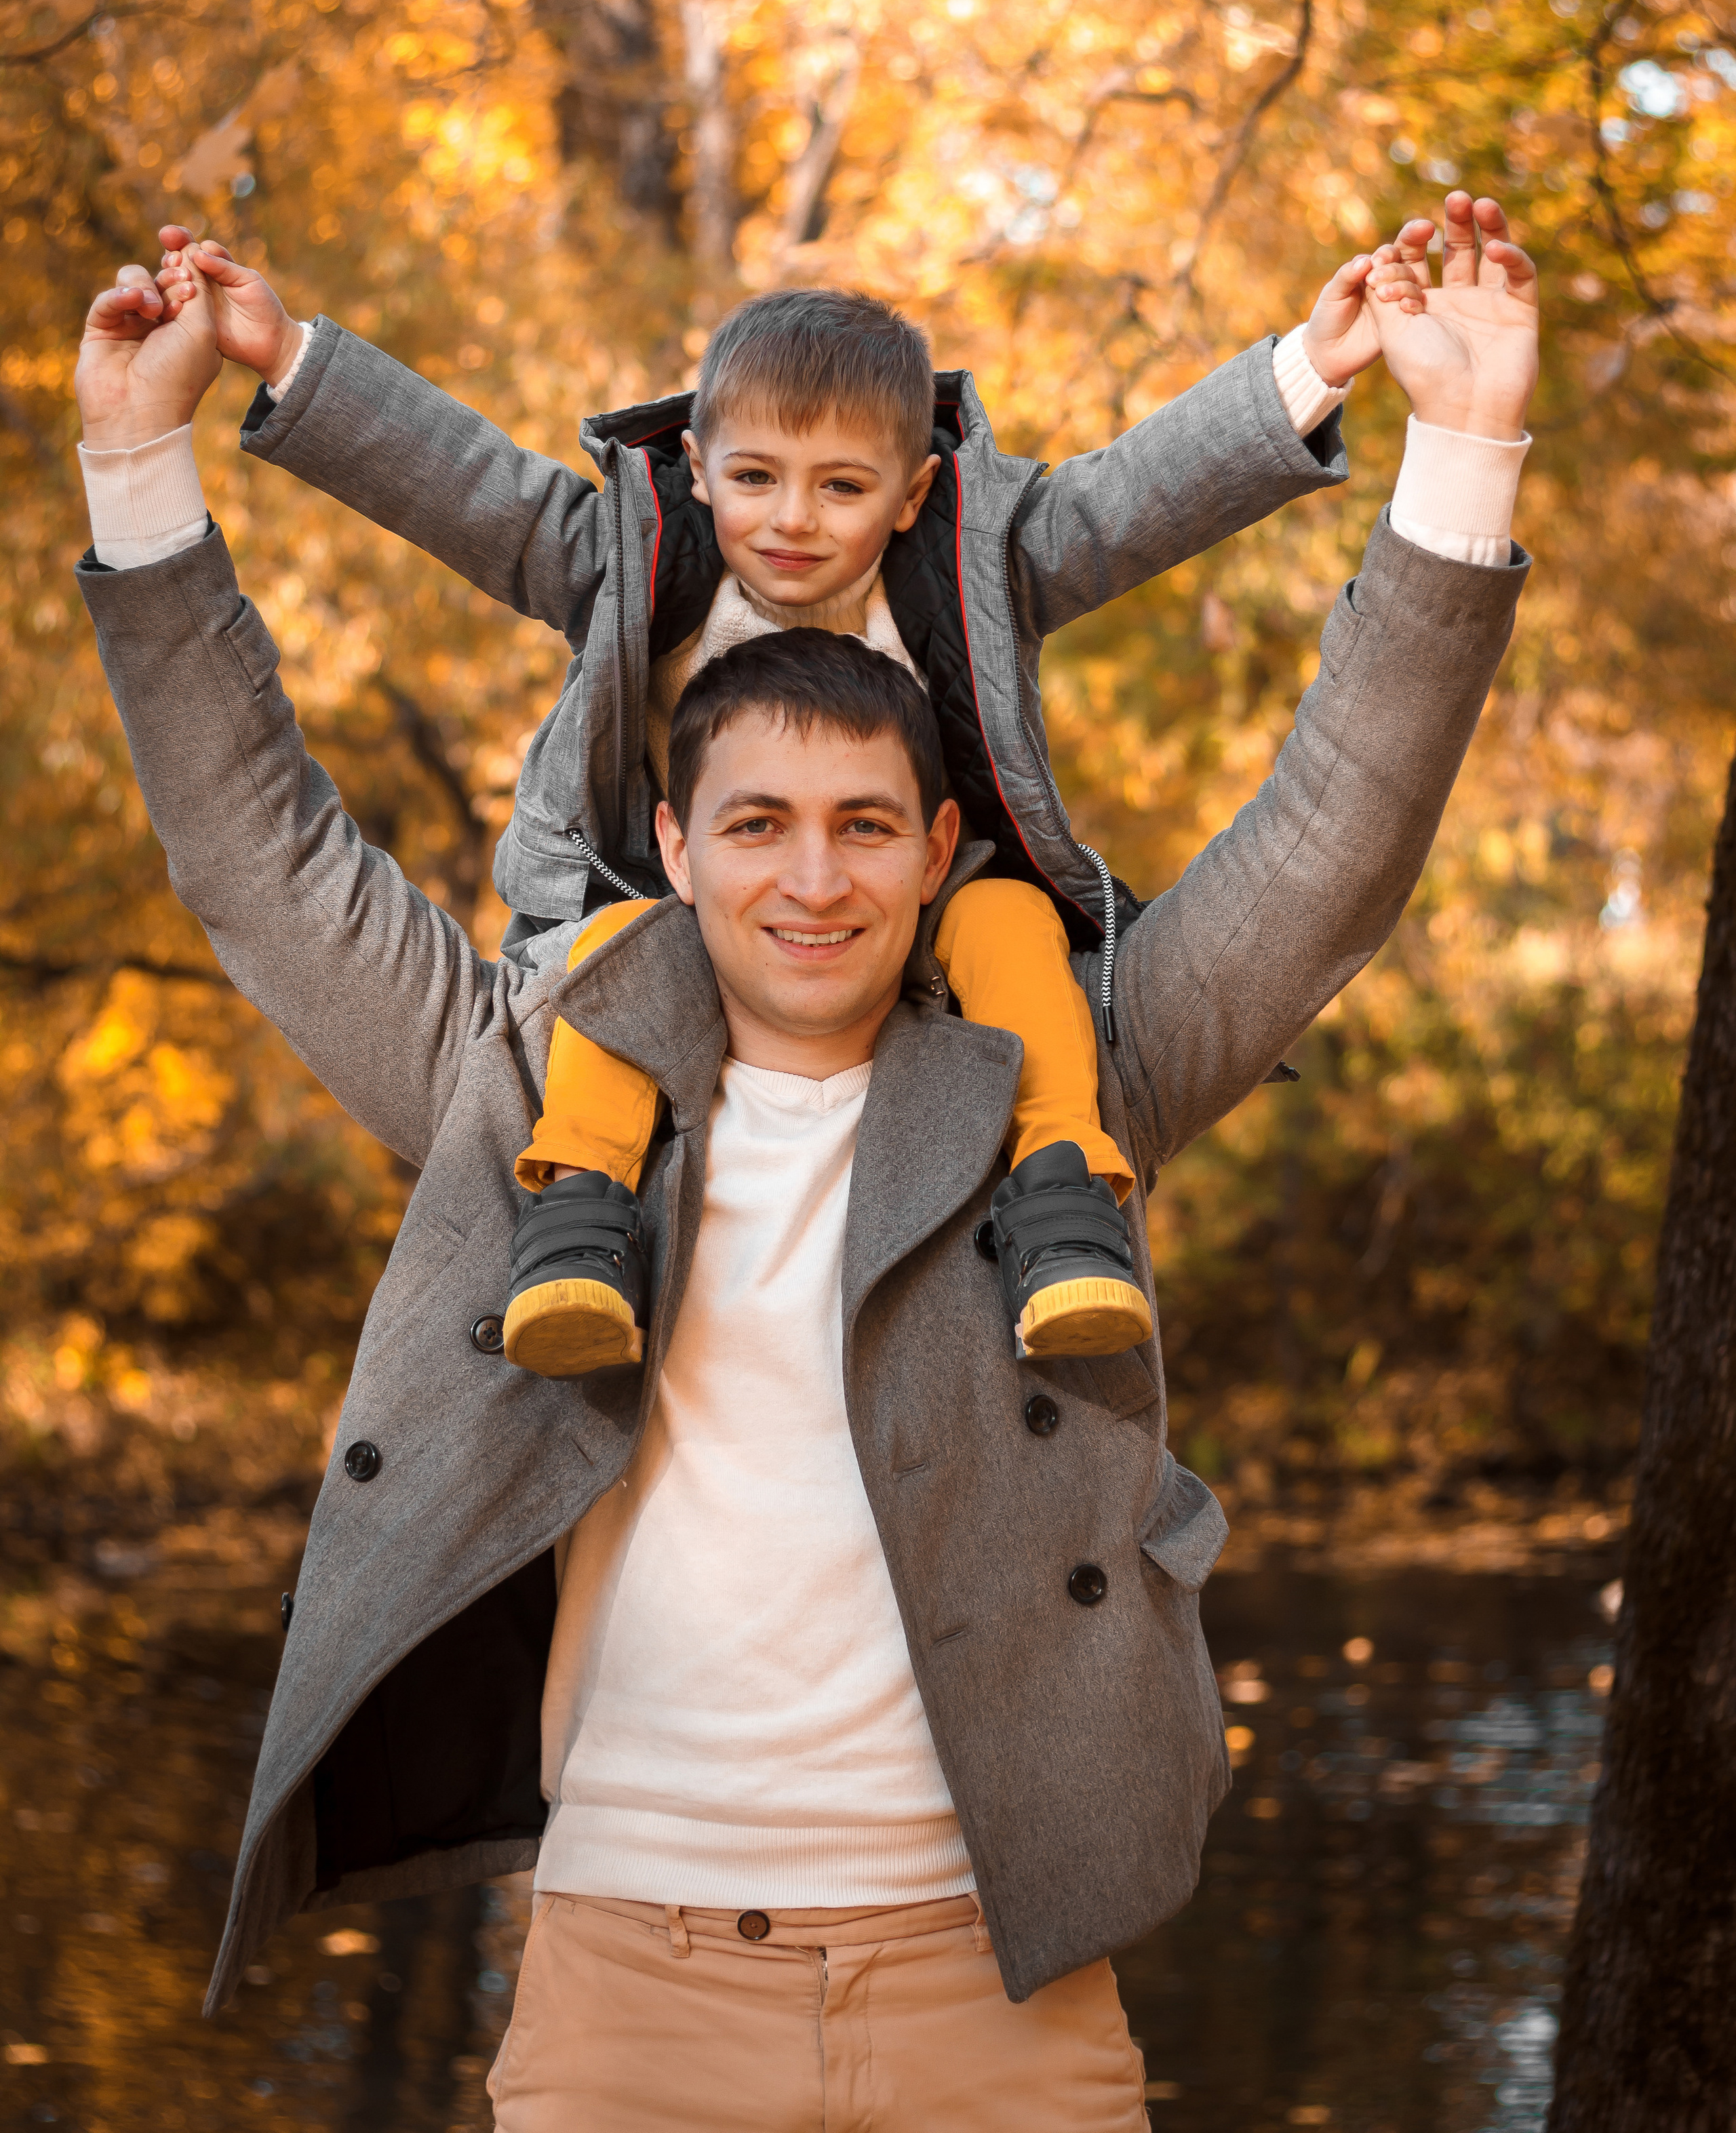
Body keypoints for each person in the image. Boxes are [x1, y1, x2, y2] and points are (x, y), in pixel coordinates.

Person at [72, 197, 1535, 2129]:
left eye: (868, 825)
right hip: (629, 2000)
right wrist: (133, 459)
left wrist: (1463, 444)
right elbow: (259, 861)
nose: (815, 876)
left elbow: (1336, 836)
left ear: (944, 849)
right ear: (672, 850)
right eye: (755, 822)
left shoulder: (1060, 1080)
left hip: (998, 1995)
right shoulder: (522, 1090)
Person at [136, 214, 1456, 1380]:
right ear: (699, 466)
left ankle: (1061, 1184)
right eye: (756, 477)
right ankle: (581, 1206)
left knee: (1016, 939)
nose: (791, 521)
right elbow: (469, 488)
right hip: (673, 895)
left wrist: (1311, 366)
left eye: (841, 488)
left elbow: (1132, 500)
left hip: (926, 900)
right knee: (610, 958)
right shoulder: (635, 556)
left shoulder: (973, 561)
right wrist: (289, 355)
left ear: (910, 492)